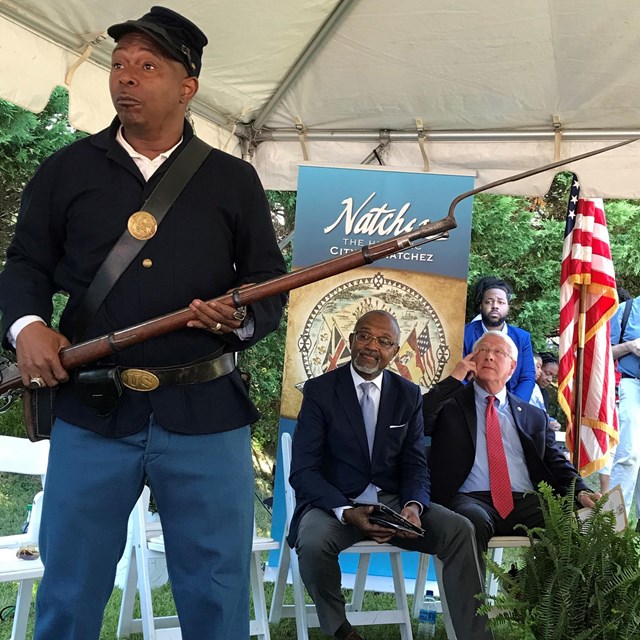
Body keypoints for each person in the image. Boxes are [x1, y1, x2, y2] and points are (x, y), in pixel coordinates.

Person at [0, 7, 286, 640]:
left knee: (216, 596)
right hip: (92, 412)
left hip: (207, 412)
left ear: (188, 86)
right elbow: (24, 265)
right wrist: (26, 326)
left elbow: (269, 288)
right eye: (119, 64)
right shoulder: (65, 171)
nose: (126, 77)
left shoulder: (233, 181)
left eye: (147, 66)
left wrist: (238, 317)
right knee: (70, 593)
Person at [289, 310, 492, 640]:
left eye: (384, 342)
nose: (372, 346)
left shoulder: (408, 394)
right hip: (336, 505)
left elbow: (415, 464)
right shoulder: (320, 391)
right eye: (365, 336)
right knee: (311, 542)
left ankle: (475, 636)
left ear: (395, 352)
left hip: (393, 504)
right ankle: (340, 629)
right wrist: (347, 511)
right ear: (351, 340)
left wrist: (412, 507)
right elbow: (303, 471)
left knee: (460, 529)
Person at [424, 331, 600, 572]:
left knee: (575, 522)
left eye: (498, 352)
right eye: (482, 351)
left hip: (526, 499)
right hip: (471, 499)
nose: (489, 357)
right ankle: (475, 606)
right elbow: (419, 420)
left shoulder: (533, 415)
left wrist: (580, 490)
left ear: (512, 366)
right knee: (469, 522)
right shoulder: (450, 405)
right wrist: (454, 379)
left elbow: (555, 461)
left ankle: (533, 591)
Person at [463, 276, 536, 402]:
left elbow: (527, 378)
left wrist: (513, 407)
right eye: (489, 301)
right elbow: (459, 376)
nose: (495, 306)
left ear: (508, 307)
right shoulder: (465, 334)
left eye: (501, 302)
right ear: (480, 306)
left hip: (511, 405)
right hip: (472, 405)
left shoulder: (522, 338)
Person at [609, 294, 640, 525]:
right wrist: (631, 346)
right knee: (628, 454)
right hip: (632, 383)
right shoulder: (626, 309)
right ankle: (611, 524)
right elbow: (603, 354)